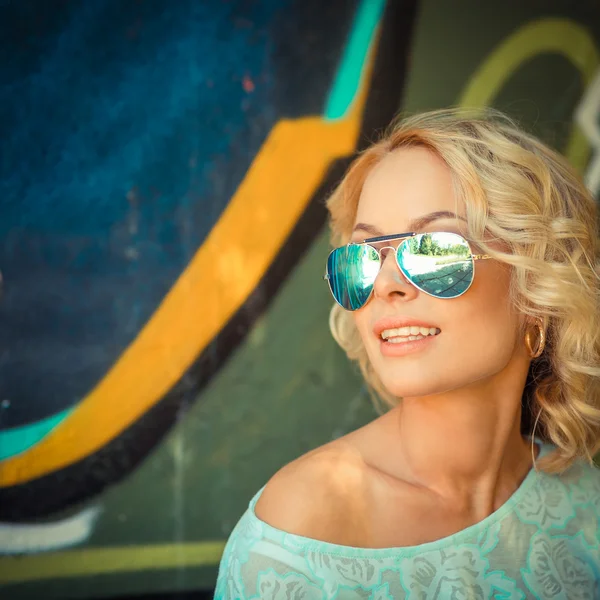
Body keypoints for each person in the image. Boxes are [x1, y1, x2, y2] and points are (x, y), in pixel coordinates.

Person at [214, 108, 600, 599]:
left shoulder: (587, 507)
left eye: (435, 249)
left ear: (537, 286)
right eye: (365, 254)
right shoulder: (302, 532)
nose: (387, 284)